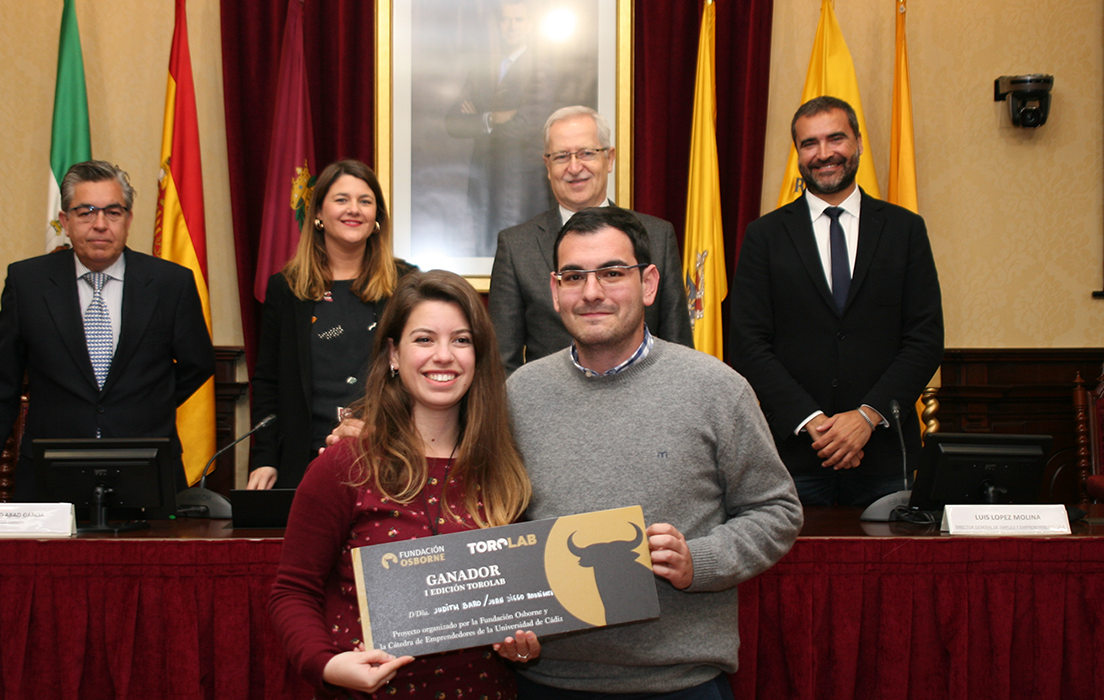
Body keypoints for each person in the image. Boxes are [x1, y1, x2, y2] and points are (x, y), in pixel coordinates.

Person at [505, 207, 801, 697]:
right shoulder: (519, 393)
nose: (592, 292)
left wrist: (698, 562)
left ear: (647, 284)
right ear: (555, 291)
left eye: (612, 273)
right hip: (545, 679)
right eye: (574, 276)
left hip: (680, 682)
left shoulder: (716, 388)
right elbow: (496, 520)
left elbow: (777, 511)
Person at [269, 270, 540, 697]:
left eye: (461, 340)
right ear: (394, 353)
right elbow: (292, 592)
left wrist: (524, 644)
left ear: (479, 356)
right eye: (424, 339)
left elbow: (520, 603)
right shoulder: (345, 465)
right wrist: (327, 664)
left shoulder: (504, 470)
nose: (444, 356)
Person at [0, 160, 215, 512]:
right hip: (49, 470)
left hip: (147, 466)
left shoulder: (171, 282)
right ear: (65, 220)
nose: (100, 224)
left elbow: (199, 363)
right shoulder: (27, 282)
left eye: (113, 212)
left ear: (128, 219)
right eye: (86, 212)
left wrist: (147, 402)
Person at [728, 96, 944, 508]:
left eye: (836, 138)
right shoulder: (764, 237)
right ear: (797, 153)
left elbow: (925, 339)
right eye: (809, 143)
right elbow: (747, 344)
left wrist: (866, 417)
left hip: (885, 454)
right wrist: (813, 422)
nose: (824, 153)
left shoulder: (905, 230)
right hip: (794, 455)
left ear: (858, 143)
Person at [246, 160, 416, 490]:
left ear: (377, 217)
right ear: (319, 214)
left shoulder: (405, 283)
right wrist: (265, 457)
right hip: (305, 459)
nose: (354, 209)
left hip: (389, 456)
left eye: (365, 201)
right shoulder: (285, 288)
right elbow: (268, 381)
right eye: (341, 200)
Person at [489, 105, 693, 374]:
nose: (574, 167)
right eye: (561, 156)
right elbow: (501, 363)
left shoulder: (657, 236)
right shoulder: (517, 246)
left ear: (609, 159)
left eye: (586, 153)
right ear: (548, 166)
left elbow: (678, 349)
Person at [444, 0, 557, 251]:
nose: (511, 26)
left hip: (519, 186)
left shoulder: (541, 69)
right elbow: (453, 122)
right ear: (497, 24)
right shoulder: (482, 69)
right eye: (505, 20)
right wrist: (492, 118)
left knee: (519, 254)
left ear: (529, 25)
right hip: (482, 181)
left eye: (518, 20)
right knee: (484, 251)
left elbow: (525, 125)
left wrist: (478, 120)